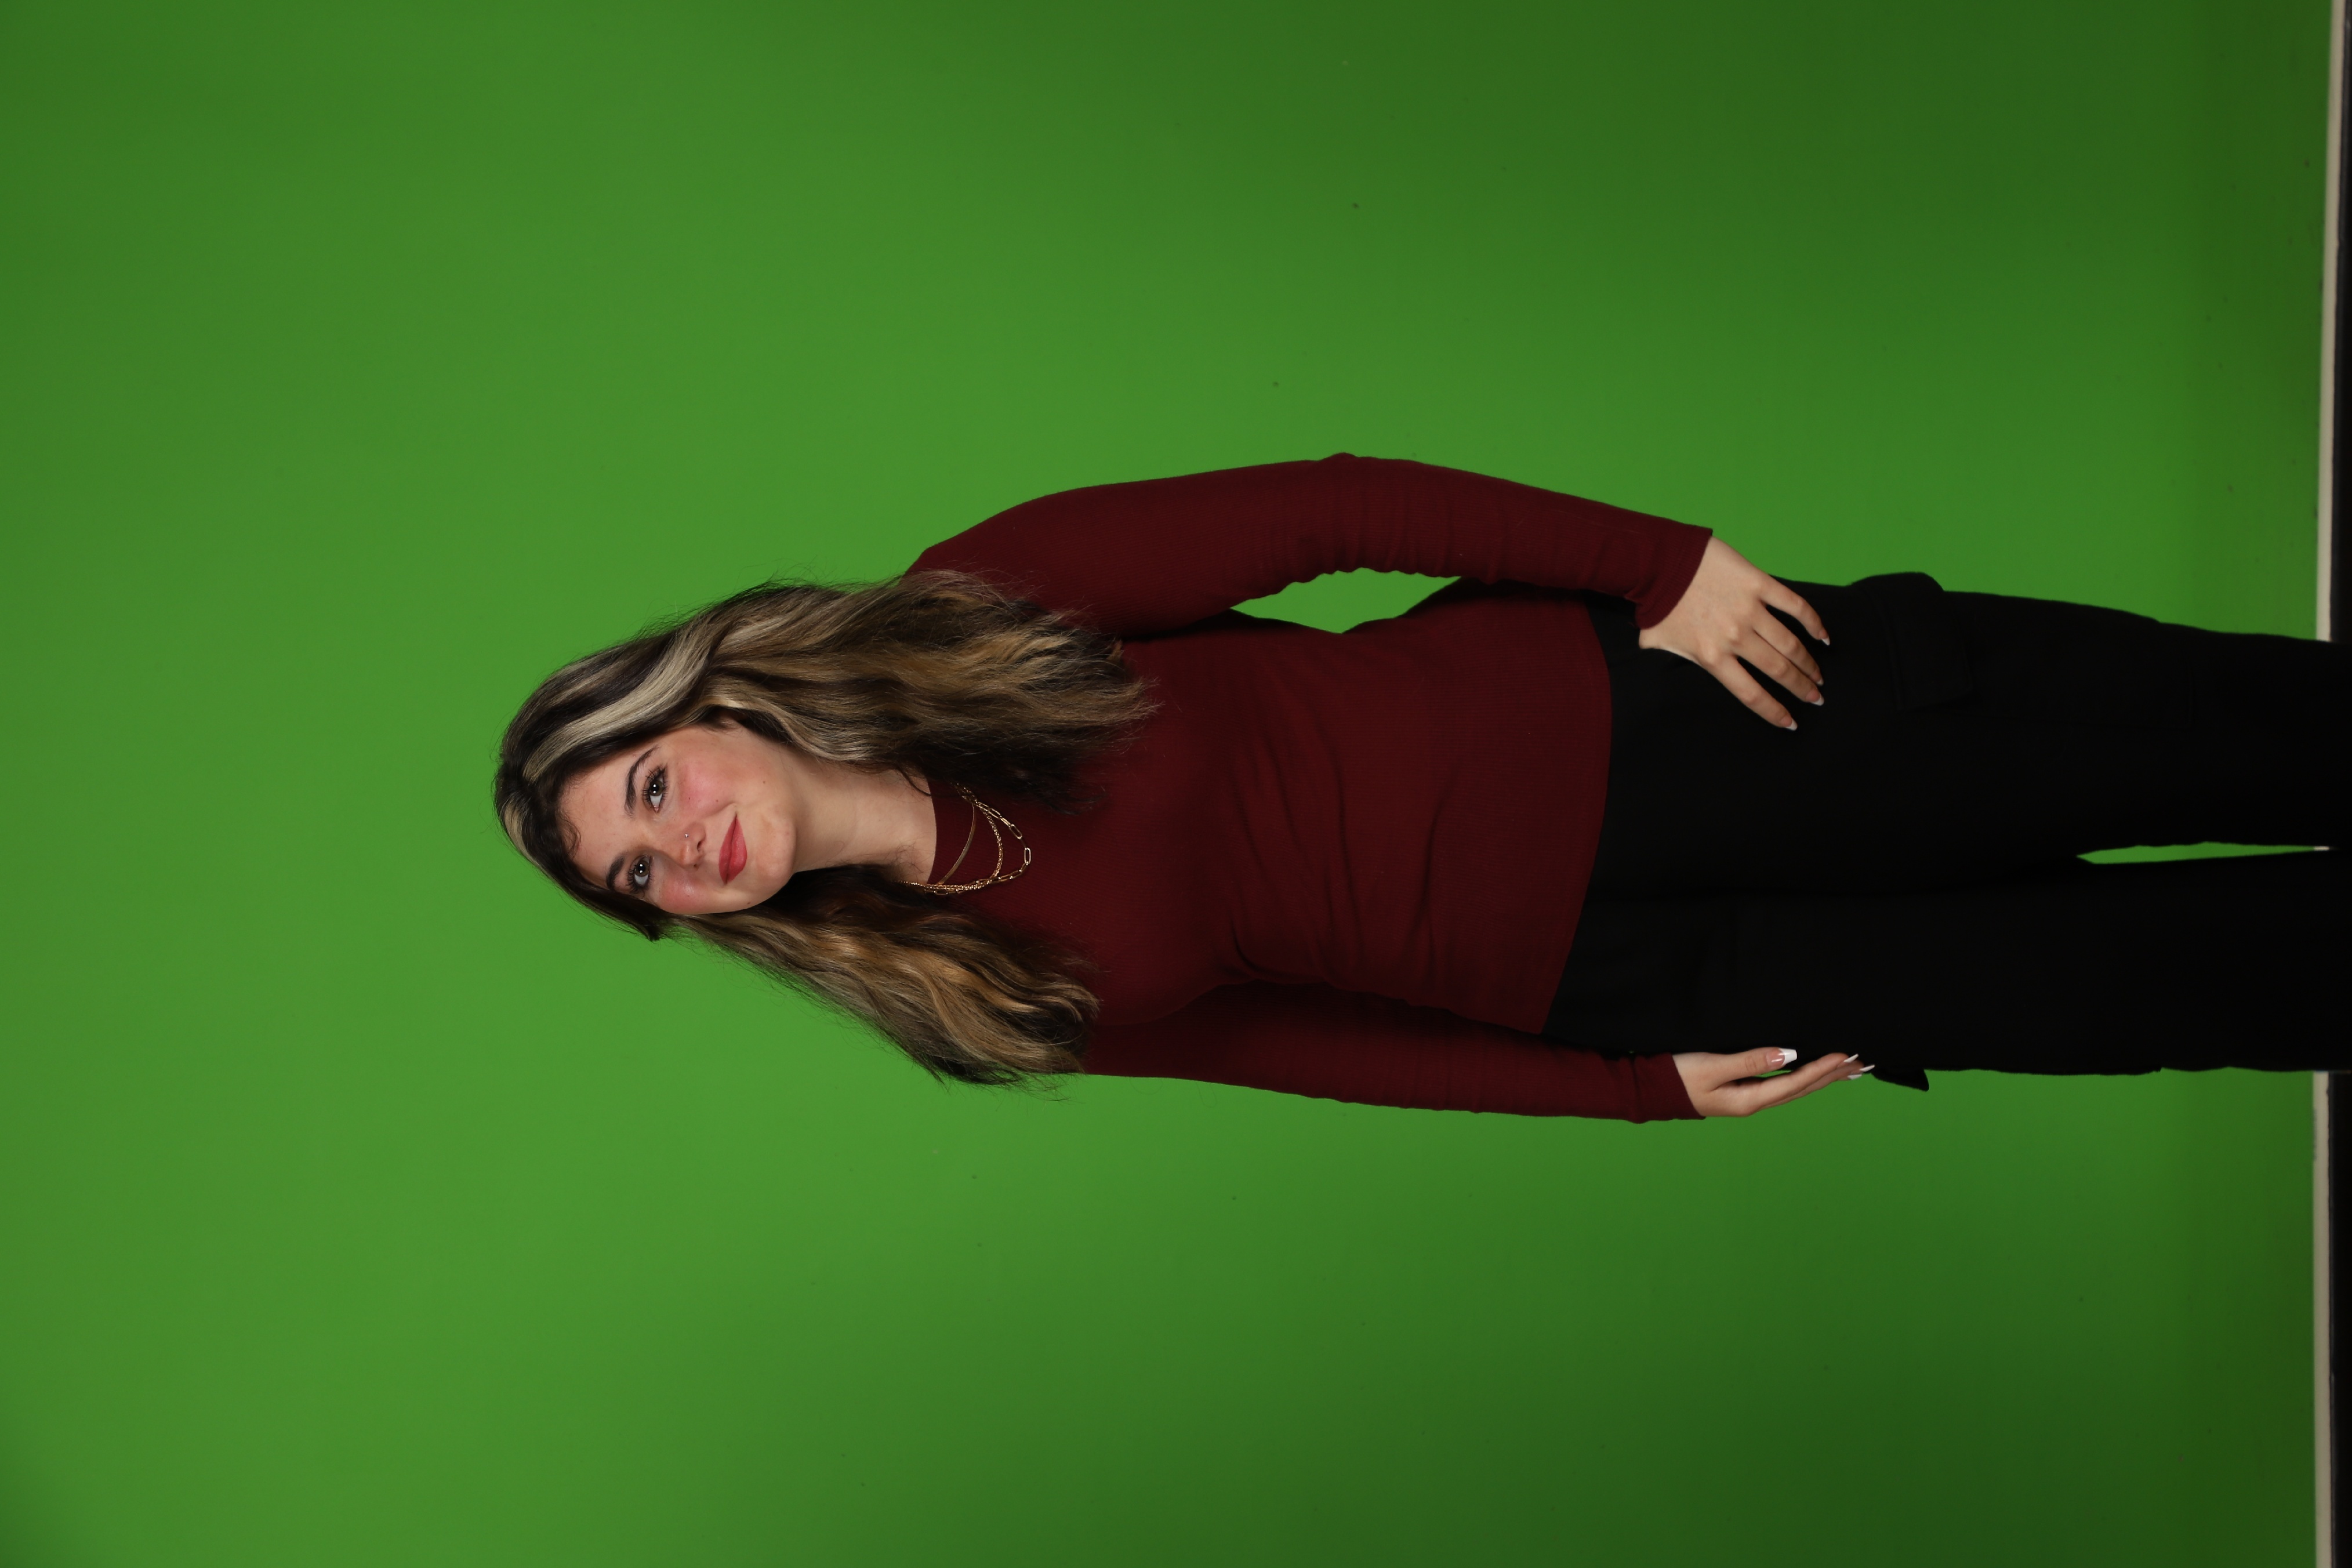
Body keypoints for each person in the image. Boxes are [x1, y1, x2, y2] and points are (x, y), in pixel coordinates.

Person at [494, 455, 2345, 1121]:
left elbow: (1330, 511)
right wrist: (1626, 1089)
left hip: (1666, 725)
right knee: (2166, 987)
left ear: (702, 701)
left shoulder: (973, 602)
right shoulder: (958, 994)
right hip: (1635, 976)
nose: (682, 846)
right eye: (639, 877)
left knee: (2200, 730)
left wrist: (1661, 568)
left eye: (649, 787)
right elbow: (1318, 1050)